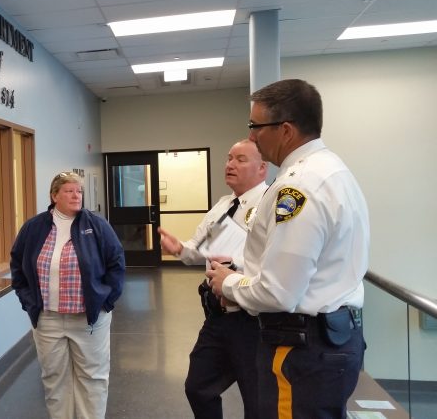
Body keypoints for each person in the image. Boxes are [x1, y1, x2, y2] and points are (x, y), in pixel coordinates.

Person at [207, 79, 369, 418]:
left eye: (255, 126)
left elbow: (278, 292)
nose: (251, 136)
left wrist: (229, 283)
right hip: (334, 339)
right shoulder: (333, 170)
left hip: (301, 349)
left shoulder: (297, 187)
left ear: (285, 130)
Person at [158, 139, 267, 419]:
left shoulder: (270, 206)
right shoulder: (223, 205)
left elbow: (274, 264)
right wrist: (180, 249)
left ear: (262, 168)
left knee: (257, 402)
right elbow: (201, 250)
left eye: (241, 159)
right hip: (218, 317)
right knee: (198, 387)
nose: (230, 164)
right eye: (229, 158)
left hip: (252, 321)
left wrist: (236, 269)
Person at [10, 171, 125, 419]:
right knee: (54, 379)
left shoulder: (96, 225)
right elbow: (18, 264)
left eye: (79, 191)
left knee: (92, 379)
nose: (76, 195)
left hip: (89, 319)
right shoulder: (34, 227)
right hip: (48, 319)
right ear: (54, 195)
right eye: (69, 191)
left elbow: (116, 262)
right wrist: (29, 301)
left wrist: (106, 301)